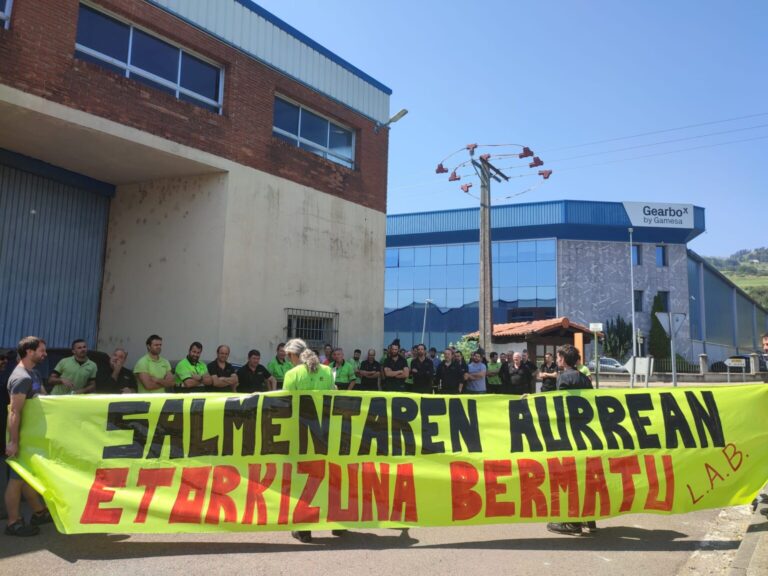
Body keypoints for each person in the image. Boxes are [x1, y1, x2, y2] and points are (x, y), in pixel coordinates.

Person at [282, 338, 340, 544]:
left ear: (292, 355)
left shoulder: (292, 374)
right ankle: (335, 520)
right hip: (325, 431)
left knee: (302, 479)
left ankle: (304, 527)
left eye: (288, 356)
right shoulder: (326, 371)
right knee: (328, 474)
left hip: (301, 432)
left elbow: (285, 404)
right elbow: (335, 396)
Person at [5, 337, 53, 536]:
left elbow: (43, 398)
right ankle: (13, 522)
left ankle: (38, 512)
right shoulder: (21, 377)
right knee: (16, 479)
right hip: (20, 435)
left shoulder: (34, 373)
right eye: (41, 350)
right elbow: (14, 412)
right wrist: (14, 442)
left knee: (26, 476)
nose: (45, 354)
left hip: (31, 435)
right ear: (29, 351)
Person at [546, 344, 595, 537]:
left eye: (558, 358)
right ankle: (590, 519)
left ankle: (572, 522)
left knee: (571, 476)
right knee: (586, 475)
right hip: (586, 431)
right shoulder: (584, 378)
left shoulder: (564, 378)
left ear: (564, 359)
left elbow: (561, 405)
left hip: (571, 433)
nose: (557, 361)